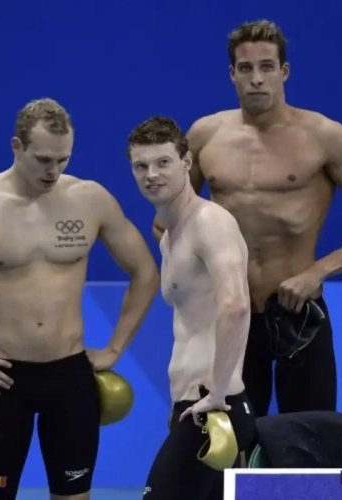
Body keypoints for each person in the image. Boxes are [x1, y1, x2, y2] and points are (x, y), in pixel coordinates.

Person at [153, 20, 342, 419]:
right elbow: (166, 223)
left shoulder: (324, 137)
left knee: (308, 440)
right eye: (246, 68)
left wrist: (317, 272)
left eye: (266, 67)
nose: (257, 78)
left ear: (284, 71)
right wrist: (197, 279)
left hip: (297, 313)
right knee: (228, 440)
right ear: (232, 74)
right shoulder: (204, 135)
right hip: (228, 314)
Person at [0, 98, 160, 500]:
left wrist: (114, 348)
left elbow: (145, 271)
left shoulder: (90, 199)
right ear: (16, 147)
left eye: (63, 159)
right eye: (43, 159)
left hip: (71, 378)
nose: (53, 171)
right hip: (3, 378)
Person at [128, 116, 257, 499]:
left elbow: (236, 305)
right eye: (140, 166)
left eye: (163, 162)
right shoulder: (170, 237)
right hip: (193, 405)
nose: (151, 174)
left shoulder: (210, 222)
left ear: (186, 162)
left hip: (213, 407)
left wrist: (218, 391)